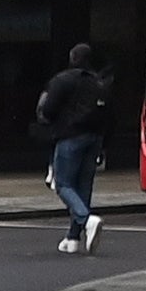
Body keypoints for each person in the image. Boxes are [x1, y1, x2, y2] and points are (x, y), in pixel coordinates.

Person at [35, 41, 109, 257]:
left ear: (73, 58)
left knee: (64, 184)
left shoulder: (63, 80)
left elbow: (47, 110)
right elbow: (110, 115)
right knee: (83, 187)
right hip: (95, 137)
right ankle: (73, 238)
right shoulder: (99, 83)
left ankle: (87, 220)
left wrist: (51, 126)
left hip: (69, 136)